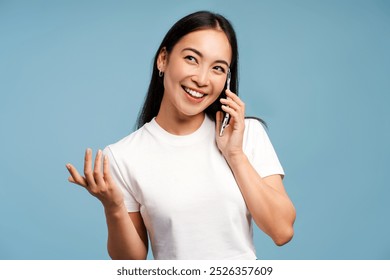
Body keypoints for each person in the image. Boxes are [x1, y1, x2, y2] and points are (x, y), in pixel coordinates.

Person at [66, 11, 296, 260]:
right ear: (163, 59)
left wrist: (235, 154)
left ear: (227, 80)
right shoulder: (123, 156)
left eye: (217, 68)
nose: (201, 79)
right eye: (191, 58)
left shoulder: (246, 134)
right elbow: (131, 263)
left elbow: (281, 231)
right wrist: (114, 208)